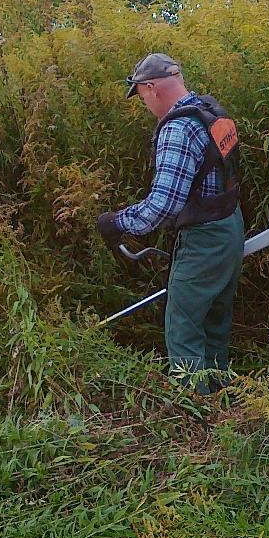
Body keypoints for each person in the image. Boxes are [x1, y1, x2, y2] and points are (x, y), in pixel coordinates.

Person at [96, 53, 244, 394]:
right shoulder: (211, 113)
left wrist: (118, 223)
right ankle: (221, 394)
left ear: (151, 87)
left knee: (185, 325)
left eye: (142, 96)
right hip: (230, 227)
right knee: (215, 319)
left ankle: (197, 412)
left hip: (204, 239)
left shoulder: (178, 129)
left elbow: (164, 205)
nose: (144, 103)